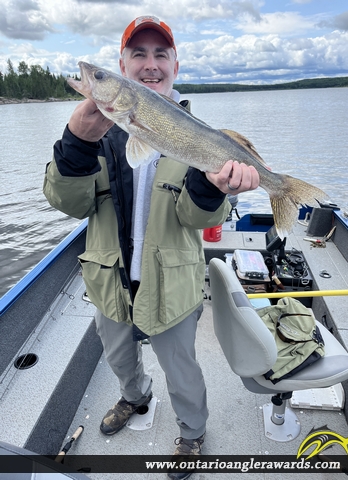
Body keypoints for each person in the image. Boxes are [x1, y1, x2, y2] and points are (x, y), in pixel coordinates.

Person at [44, 15, 260, 479]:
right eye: (136, 55)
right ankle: (134, 396)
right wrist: (76, 145)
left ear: (175, 65)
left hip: (174, 283)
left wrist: (216, 189)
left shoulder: (198, 132)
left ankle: (193, 433)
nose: (150, 64)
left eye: (160, 54)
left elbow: (198, 219)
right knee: (119, 357)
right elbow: (68, 203)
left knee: (182, 369)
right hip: (110, 280)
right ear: (123, 67)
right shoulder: (94, 132)